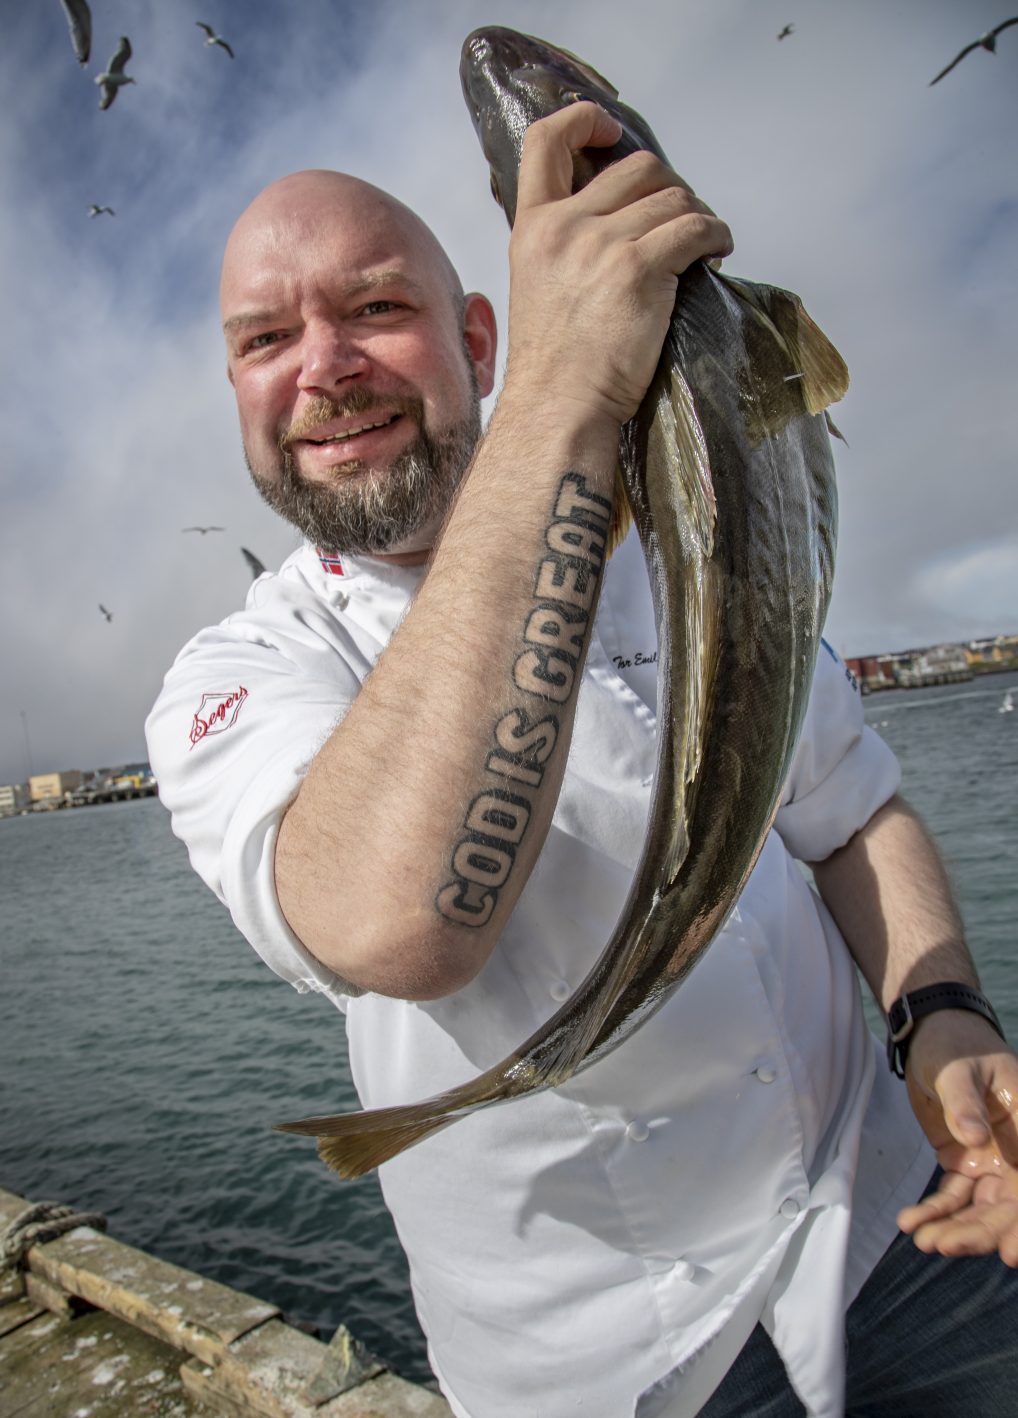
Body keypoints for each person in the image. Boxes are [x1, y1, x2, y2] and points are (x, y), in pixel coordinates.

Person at [146, 103, 1018, 1418]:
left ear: (476, 336)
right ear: (237, 391)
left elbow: (846, 810)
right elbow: (400, 926)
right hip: (633, 1371)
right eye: (266, 338)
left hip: (905, 1217)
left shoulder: (680, 529)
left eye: (375, 308)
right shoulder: (236, 677)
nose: (322, 366)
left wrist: (940, 1017)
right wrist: (569, 386)